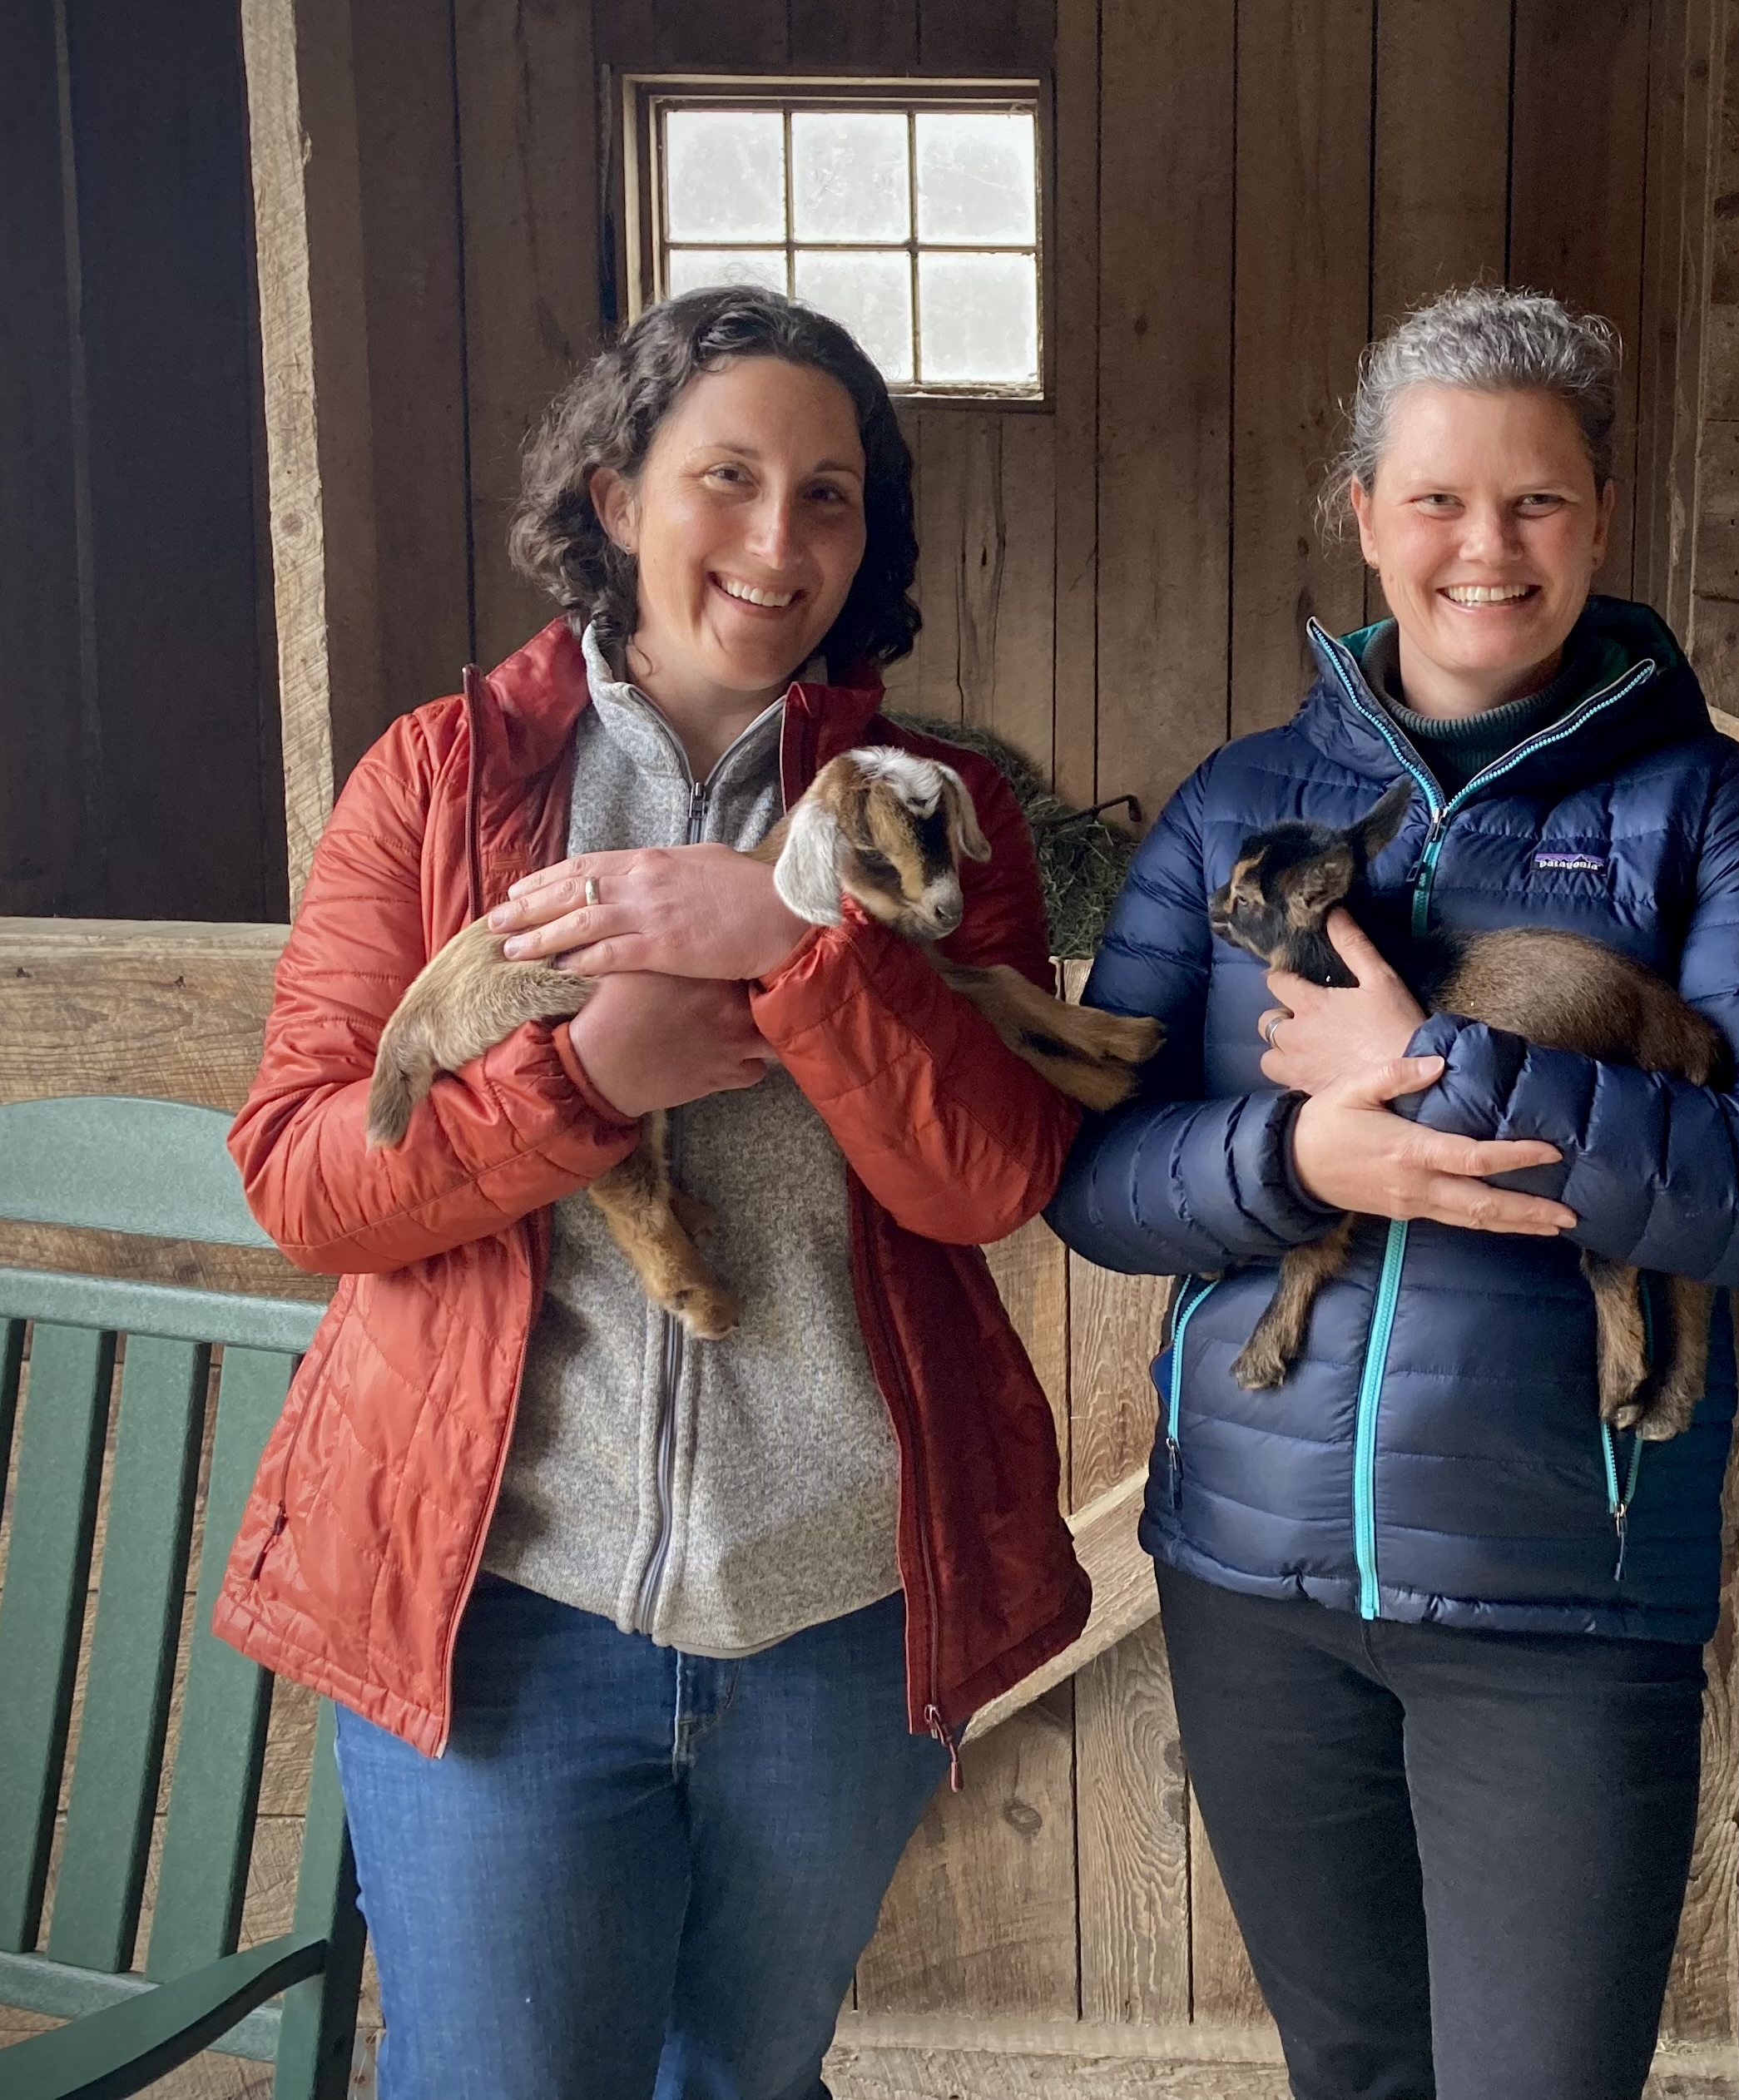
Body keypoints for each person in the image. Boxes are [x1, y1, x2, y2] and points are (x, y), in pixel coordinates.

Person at [215, 286, 1089, 2100]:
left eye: (831, 495)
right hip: (505, 1609)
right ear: (615, 495)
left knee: (742, 2083)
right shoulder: (439, 779)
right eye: (728, 478)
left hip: (832, 1622)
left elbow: (988, 1178)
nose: (780, 542)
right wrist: (588, 1076)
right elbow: (307, 1177)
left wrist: (794, 938)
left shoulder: (947, 814)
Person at [1047, 286, 1739, 2099]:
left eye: (1537, 503)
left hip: (1564, 1597)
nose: (1484, 549)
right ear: (1363, 513)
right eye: (1436, 501)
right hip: (1248, 1578)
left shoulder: (1711, 815)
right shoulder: (1236, 803)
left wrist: (1449, 1071)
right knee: (1355, 2071)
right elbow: (1094, 1174)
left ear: (1601, 516)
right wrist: (1294, 1157)